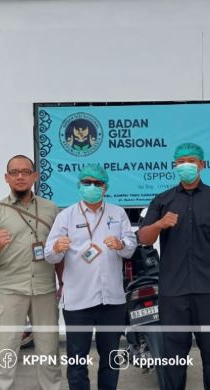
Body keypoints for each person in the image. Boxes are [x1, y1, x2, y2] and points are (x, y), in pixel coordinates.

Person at [137, 142, 210, 390]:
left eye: (192, 161)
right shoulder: (163, 200)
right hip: (174, 292)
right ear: (175, 165)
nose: (186, 166)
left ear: (202, 164)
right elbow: (144, 238)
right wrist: (159, 224)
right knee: (174, 358)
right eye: (181, 161)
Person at [44, 164, 137, 390]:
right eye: (87, 182)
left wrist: (121, 244)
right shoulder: (66, 216)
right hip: (78, 300)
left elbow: (131, 247)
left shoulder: (117, 213)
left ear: (106, 187)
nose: (92, 187)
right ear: (79, 185)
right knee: (77, 359)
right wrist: (57, 247)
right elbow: (49, 255)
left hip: (111, 300)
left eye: (97, 183)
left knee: (111, 358)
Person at [0, 155, 62, 390]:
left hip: (44, 289)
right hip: (9, 290)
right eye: (14, 172)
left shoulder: (51, 209)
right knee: (5, 351)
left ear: (35, 176)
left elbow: (59, 251)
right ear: (7, 178)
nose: (20, 176)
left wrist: (63, 282)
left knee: (49, 351)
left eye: (26, 171)